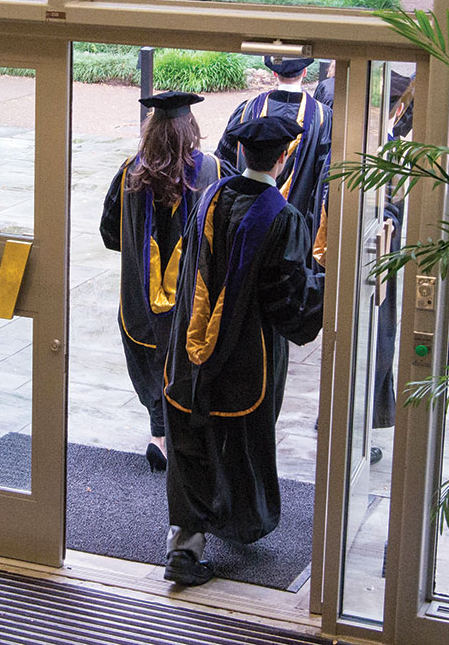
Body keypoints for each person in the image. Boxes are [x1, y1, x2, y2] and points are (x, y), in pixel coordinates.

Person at [162, 115, 326, 586]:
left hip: (188, 355)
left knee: (191, 440)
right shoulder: (283, 218)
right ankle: (238, 522)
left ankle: (185, 543)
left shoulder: (209, 197)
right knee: (238, 443)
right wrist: (329, 289)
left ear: (240, 154)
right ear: (283, 158)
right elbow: (288, 301)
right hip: (245, 359)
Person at [99, 91, 224, 473]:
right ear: (192, 129)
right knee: (188, 363)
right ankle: (186, 437)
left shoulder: (130, 173)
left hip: (140, 303)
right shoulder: (213, 172)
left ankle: (159, 437)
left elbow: (109, 234)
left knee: (152, 362)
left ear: (149, 130)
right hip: (191, 302)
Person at [215, 55, 333, 268]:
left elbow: (223, 165)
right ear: (305, 73)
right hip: (298, 240)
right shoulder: (323, 118)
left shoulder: (248, 110)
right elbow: (325, 186)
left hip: (244, 230)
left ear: (274, 73)